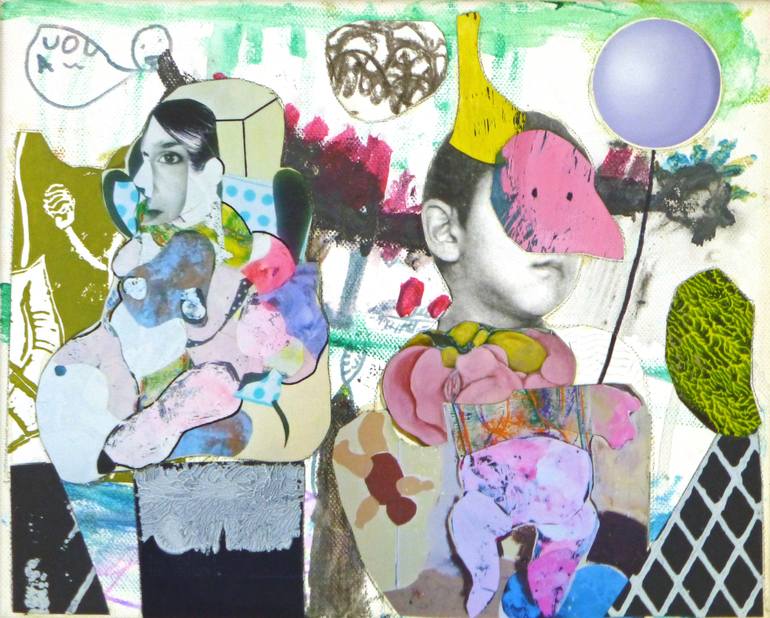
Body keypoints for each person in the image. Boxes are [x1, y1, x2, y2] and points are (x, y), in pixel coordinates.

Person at [378, 118, 649, 618]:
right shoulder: (422, 372)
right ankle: (493, 584)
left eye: (573, 203)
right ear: (445, 231)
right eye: (528, 196)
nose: (554, 231)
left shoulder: (590, 371)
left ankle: (544, 587)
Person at [36, 97, 328, 483]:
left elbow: (294, 354)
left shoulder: (248, 250)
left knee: (216, 394)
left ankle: (134, 444)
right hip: (122, 364)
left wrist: (267, 335)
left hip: (198, 371)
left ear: (211, 172)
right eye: (145, 159)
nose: (144, 179)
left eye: (168, 158)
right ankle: (113, 446)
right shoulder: (150, 234)